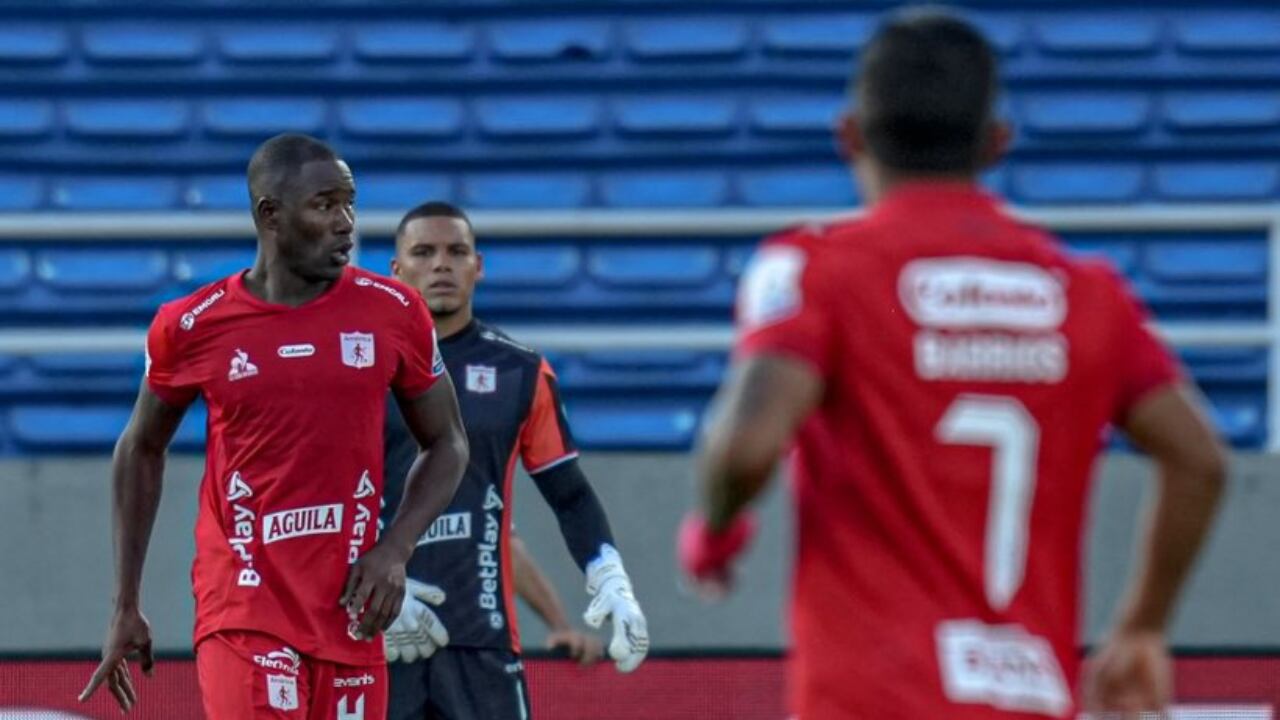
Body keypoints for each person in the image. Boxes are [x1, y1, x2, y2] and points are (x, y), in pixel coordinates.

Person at [679, 9, 1228, 720]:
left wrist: (715, 533)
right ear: (997, 143)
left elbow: (746, 448)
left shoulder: (820, 272)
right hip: (1029, 693)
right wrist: (1142, 627)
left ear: (848, 136)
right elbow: (1201, 460)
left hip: (872, 698)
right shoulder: (1088, 296)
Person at [78, 134, 470, 718]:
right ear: (270, 215)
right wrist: (125, 603)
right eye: (324, 205)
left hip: (352, 611)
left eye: (350, 204)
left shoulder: (394, 312)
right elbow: (140, 447)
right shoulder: (191, 325)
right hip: (245, 610)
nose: (345, 223)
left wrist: (395, 548)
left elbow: (448, 442)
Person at [379, 202, 648, 719]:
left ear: (478, 266)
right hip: (379, 640)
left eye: (456, 252)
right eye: (423, 252)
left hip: (484, 647)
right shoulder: (361, 369)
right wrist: (359, 592)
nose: (441, 265)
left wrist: (610, 574)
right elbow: (318, 494)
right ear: (397, 270)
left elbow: (568, 493)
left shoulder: (520, 371)